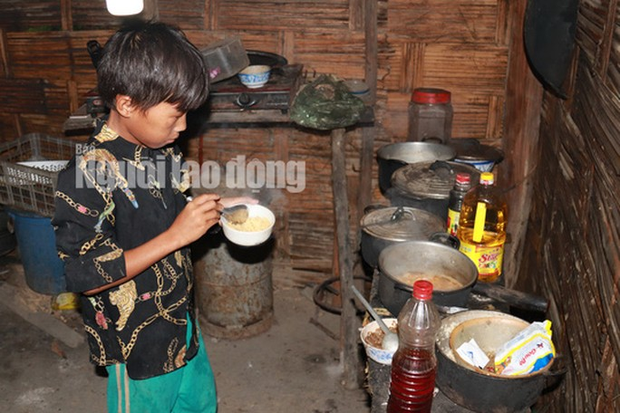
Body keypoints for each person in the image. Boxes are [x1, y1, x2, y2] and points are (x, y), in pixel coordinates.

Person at [53, 20, 251, 413]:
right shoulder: (85, 177)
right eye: (174, 116)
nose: (184, 126)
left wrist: (216, 210)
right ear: (127, 104)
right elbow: (87, 276)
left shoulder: (160, 151)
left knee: (200, 404)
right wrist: (177, 235)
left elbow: (173, 212)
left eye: (187, 114)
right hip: (136, 345)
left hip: (181, 323)